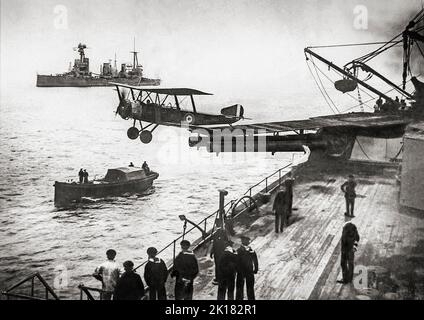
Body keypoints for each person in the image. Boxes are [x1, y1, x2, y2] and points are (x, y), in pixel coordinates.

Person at [236, 236, 258, 300]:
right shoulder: (251, 250)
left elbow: (235, 261)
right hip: (249, 271)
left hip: (241, 271)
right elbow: (255, 260)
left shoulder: (238, 251)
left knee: (240, 287)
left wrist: (236, 270)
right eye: (248, 241)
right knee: (250, 288)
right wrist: (255, 269)